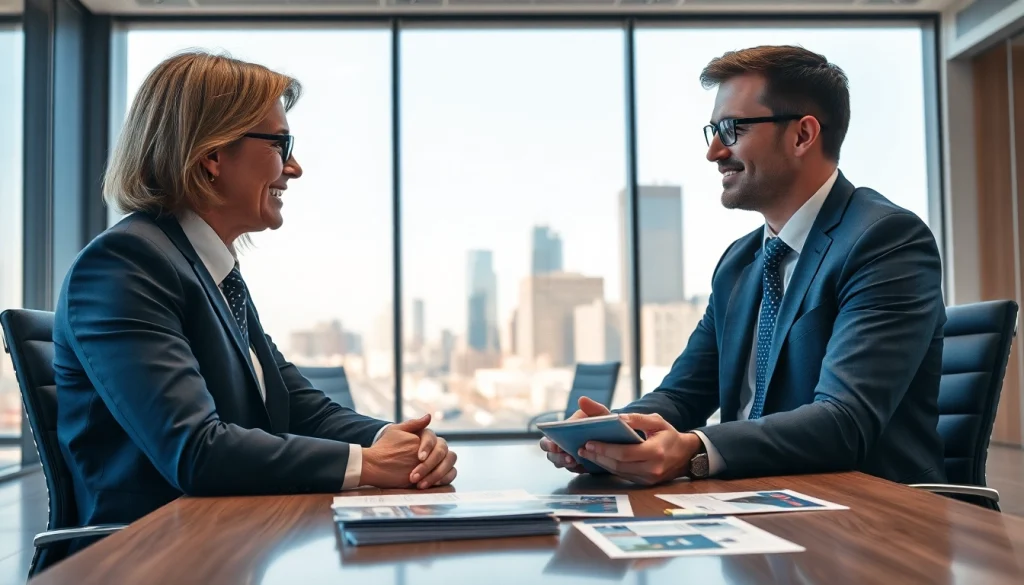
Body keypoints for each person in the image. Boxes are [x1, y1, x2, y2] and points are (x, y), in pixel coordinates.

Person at [52, 51, 457, 533]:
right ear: (212, 156)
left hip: (225, 535)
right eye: (281, 145)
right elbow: (196, 450)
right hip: (150, 554)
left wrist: (395, 440)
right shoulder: (124, 266)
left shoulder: (209, 270)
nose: (295, 167)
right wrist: (368, 464)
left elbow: (294, 404)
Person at [540, 45, 946, 486]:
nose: (714, 152)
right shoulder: (740, 262)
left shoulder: (885, 241)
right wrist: (609, 435)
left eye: (732, 129)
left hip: (867, 518)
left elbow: (844, 421)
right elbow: (682, 393)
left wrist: (695, 449)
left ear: (802, 136)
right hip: (755, 502)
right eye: (713, 131)